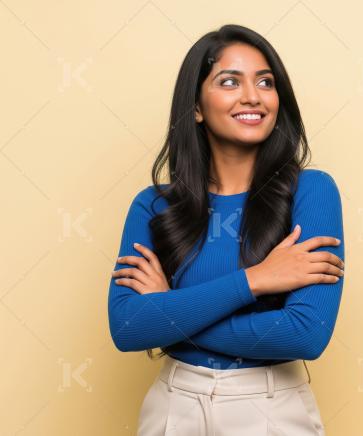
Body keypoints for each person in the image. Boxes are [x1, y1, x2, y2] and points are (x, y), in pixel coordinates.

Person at [107, 24, 344, 435]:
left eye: (265, 82)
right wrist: (256, 279)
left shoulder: (312, 191)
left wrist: (170, 313)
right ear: (196, 106)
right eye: (229, 81)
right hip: (172, 407)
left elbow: (306, 335)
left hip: (271, 409)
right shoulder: (154, 205)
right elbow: (128, 328)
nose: (252, 96)